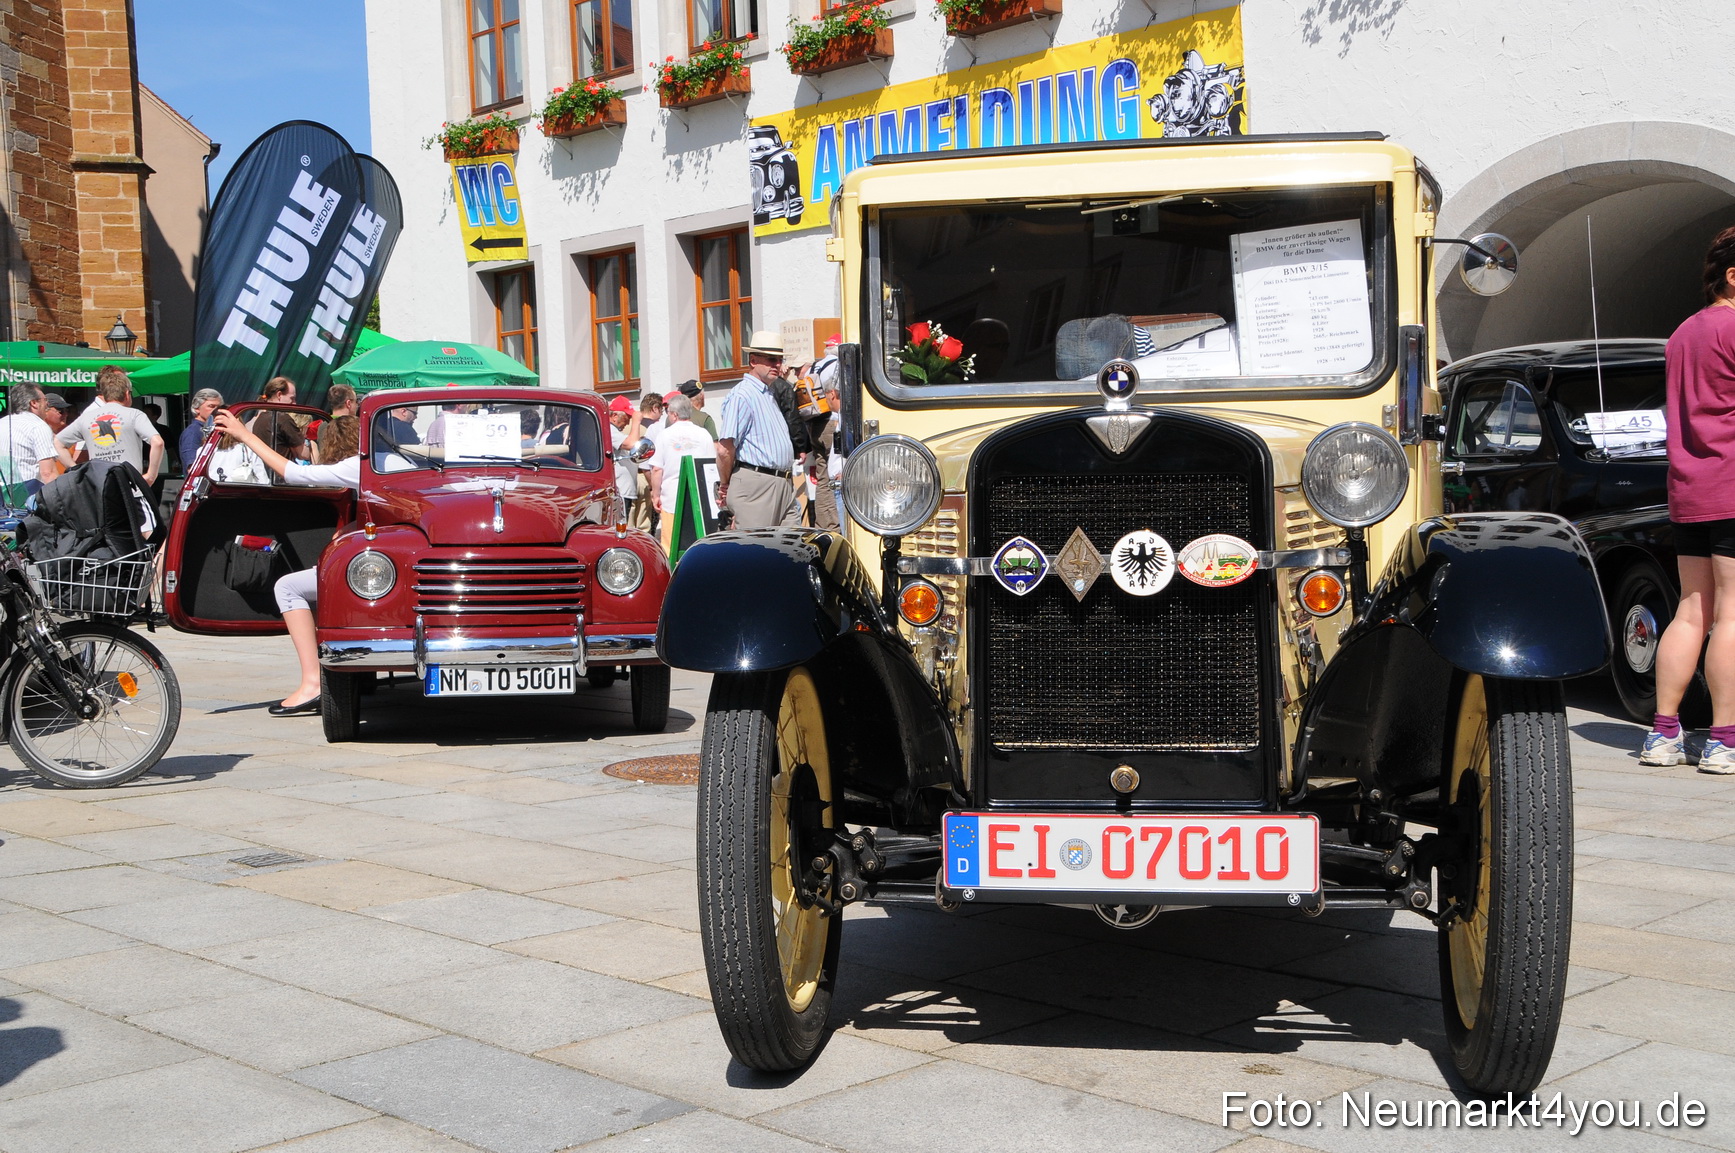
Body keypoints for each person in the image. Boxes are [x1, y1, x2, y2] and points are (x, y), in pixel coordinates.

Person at [1645, 225, 1735, 773]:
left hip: (1689, 487)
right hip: (1733, 485)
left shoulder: (1681, 333)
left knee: (1691, 610)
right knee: (1732, 613)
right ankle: (1724, 739)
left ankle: (1664, 734)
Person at [211, 408, 361, 715]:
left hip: (376, 571)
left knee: (288, 586)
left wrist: (243, 434)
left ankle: (312, 683)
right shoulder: (397, 463)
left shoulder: (355, 467)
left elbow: (295, 474)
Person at [716, 330, 799, 528]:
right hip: (757, 483)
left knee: (793, 551)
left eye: (779, 359)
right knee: (756, 551)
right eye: (771, 360)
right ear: (753, 361)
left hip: (781, 482)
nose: (777, 365)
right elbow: (724, 448)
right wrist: (725, 482)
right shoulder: (742, 395)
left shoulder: (767, 393)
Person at [57, 365, 163, 485]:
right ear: (127, 394)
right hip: (131, 487)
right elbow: (158, 442)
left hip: (102, 487)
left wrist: (75, 471)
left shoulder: (86, 417)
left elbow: (57, 442)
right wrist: (150, 476)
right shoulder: (134, 414)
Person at [650, 395, 716, 551]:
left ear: (674, 414)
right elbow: (711, 466)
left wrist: (655, 495)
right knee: (700, 543)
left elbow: (657, 469)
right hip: (700, 498)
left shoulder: (664, 435)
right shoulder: (704, 434)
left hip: (671, 497)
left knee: (671, 545)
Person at [0, 383, 63, 503]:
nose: (47, 405)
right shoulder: (38, 426)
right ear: (33, 403)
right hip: (27, 496)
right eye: (45, 400)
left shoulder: (1, 423)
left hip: (3, 498)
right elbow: (47, 473)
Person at [252, 377, 308, 462]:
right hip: (281, 473)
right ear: (279, 395)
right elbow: (304, 454)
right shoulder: (283, 419)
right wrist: (313, 445)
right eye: (292, 398)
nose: (294, 403)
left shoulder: (259, 419)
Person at [631, 392, 664, 535]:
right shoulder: (655, 428)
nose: (662, 415)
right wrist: (654, 487)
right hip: (645, 477)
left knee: (629, 522)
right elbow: (650, 461)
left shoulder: (629, 424)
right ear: (655, 408)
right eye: (661, 410)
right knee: (645, 525)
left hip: (627, 477)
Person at [607, 394, 642, 524]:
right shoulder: (609, 430)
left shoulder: (614, 431)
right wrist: (636, 422)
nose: (628, 422)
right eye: (627, 417)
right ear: (614, 416)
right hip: (620, 491)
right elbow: (631, 444)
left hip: (624, 491)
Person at [180, 388, 222, 473]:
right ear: (197, 408)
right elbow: (192, 468)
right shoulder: (193, 432)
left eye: (219, 407)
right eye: (211, 406)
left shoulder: (215, 428)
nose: (216, 410)